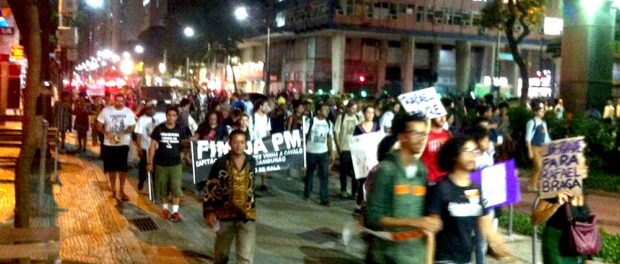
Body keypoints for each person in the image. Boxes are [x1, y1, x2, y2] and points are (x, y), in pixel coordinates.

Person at [364, 113, 442, 264]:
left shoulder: (422, 170)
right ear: (402, 137)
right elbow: (372, 218)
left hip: (415, 255)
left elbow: (424, 215)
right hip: (386, 255)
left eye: (424, 133)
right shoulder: (386, 170)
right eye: (415, 133)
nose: (422, 138)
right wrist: (414, 222)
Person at [428, 136, 509, 263]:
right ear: (454, 155)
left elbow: (484, 223)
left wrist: (496, 241)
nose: (472, 156)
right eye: (467, 151)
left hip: (466, 258)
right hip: (444, 258)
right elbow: (431, 230)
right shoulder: (442, 188)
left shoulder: (475, 189)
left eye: (475, 151)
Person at [204, 130, 257, 264]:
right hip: (224, 216)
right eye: (235, 142)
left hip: (246, 217)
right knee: (221, 256)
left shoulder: (252, 161)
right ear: (229, 143)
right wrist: (209, 211)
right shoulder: (220, 163)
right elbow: (210, 187)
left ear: (246, 144)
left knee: (245, 257)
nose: (239, 145)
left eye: (242, 142)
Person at [147, 106, 191, 222]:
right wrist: (150, 163)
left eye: (174, 115)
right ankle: (165, 209)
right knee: (162, 188)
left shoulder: (180, 129)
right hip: (161, 164)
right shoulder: (159, 129)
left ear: (176, 117)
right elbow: (152, 147)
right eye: (169, 115)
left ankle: (175, 211)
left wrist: (183, 156)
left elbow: (184, 145)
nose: (171, 118)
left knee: (176, 188)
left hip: (175, 164)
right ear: (166, 116)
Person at [96, 94, 136, 201]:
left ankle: (122, 190)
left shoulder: (128, 112)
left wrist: (123, 133)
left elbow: (132, 126)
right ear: (114, 101)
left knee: (123, 168)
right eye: (117, 100)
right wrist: (105, 132)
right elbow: (98, 125)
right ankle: (113, 188)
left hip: (123, 143)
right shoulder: (106, 111)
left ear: (124, 101)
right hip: (109, 143)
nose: (119, 103)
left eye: (121, 101)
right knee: (111, 167)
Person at [304, 102, 336, 206]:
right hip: (311, 151)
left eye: (328, 109)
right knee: (309, 173)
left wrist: (331, 153)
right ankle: (307, 192)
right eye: (325, 109)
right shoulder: (311, 121)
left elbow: (329, 138)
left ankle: (324, 198)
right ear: (318, 111)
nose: (327, 111)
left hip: (323, 152)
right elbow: (304, 136)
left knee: (324, 175)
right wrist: (303, 153)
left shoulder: (329, 123)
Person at [352, 105, 380, 213]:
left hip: (373, 159)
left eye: (372, 112)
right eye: (368, 112)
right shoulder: (358, 128)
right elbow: (355, 144)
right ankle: (359, 204)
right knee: (362, 182)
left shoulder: (377, 127)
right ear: (364, 113)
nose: (370, 115)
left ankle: (370, 204)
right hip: (362, 160)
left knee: (373, 182)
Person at [134, 103, 166, 191]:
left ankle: (155, 185)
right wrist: (139, 147)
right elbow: (138, 134)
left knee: (157, 166)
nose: (150, 110)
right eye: (148, 109)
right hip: (146, 147)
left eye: (152, 108)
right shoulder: (141, 119)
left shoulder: (162, 116)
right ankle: (142, 180)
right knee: (144, 165)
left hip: (158, 147)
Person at [334, 101, 361, 199]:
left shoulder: (357, 118)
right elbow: (336, 132)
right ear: (348, 108)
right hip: (344, 148)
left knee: (355, 172)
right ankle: (343, 189)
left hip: (355, 149)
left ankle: (354, 191)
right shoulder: (341, 118)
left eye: (355, 109)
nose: (354, 110)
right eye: (353, 108)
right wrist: (338, 145)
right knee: (344, 171)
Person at [526, 102, 552, 192]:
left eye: (543, 111)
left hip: (542, 148)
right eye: (541, 111)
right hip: (534, 147)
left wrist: (550, 145)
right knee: (539, 167)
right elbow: (528, 137)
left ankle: (531, 184)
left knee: (538, 168)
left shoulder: (543, 123)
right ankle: (533, 186)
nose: (543, 112)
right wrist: (529, 150)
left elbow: (546, 136)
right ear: (536, 112)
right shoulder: (531, 122)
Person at [420, 115, 452, 184]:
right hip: (429, 180)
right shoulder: (425, 135)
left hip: (445, 178)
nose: (442, 118)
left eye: (444, 116)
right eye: (439, 116)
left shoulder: (448, 134)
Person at [252, 99, 272, 191]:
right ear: (260, 106)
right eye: (266, 106)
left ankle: (263, 183)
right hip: (254, 144)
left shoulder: (267, 118)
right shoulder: (252, 117)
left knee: (264, 163)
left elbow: (268, 131)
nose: (268, 108)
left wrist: (269, 141)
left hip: (264, 144)